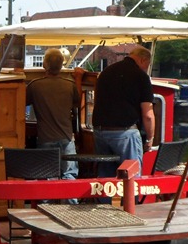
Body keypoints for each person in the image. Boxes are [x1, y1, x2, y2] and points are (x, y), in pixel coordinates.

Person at [92, 44, 155, 180]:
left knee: (105, 178)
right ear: (143, 60)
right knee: (131, 175)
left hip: (100, 132)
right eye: (148, 65)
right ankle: (132, 201)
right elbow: (148, 114)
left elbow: (96, 101)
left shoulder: (105, 72)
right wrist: (150, 139)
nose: (146, 68)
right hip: (124, 133)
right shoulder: (141, 77)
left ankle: (104, 201)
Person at [26, 48, 81, 180]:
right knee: (69, 174)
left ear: (45, 65)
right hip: (67, 137)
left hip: (46, 138)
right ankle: (70, 200)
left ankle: (46, 201)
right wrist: (78, 78)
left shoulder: (35, 86)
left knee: (47, 175)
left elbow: (20, 104)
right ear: (62, 65)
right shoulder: (69, 85)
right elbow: (77, 102)